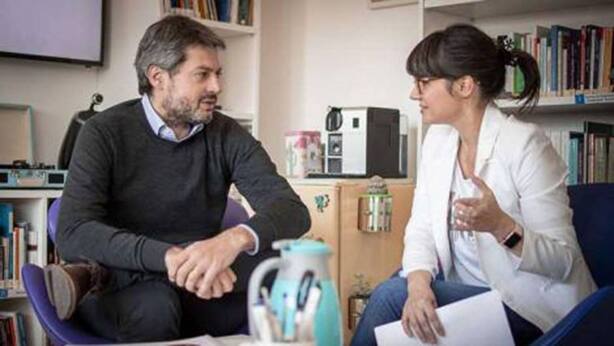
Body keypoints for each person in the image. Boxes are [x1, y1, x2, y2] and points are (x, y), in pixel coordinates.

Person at [46, 15, 310, 342]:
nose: (217, 86)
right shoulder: (104, 132)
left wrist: (232, 240)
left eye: (218, 74)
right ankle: (108, 276)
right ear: (158, 77)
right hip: (136, 295)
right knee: (157, 305)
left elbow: (292, 209)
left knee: (290, 265)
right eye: (202, 75)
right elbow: (72, 232)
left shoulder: (227, 134)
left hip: (203, 285)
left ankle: (98, 274)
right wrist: (169, 258)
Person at [351, 24, 596, 346]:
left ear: (465, 85)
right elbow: (421, 229)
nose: (414, 94)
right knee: (403, 295)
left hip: (531, 308)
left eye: (423, 83)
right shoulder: (438, 141)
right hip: (471, 300)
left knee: (387, 298)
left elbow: (562, 261)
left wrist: (502, 227)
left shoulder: (525, 145)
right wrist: (419, 287)